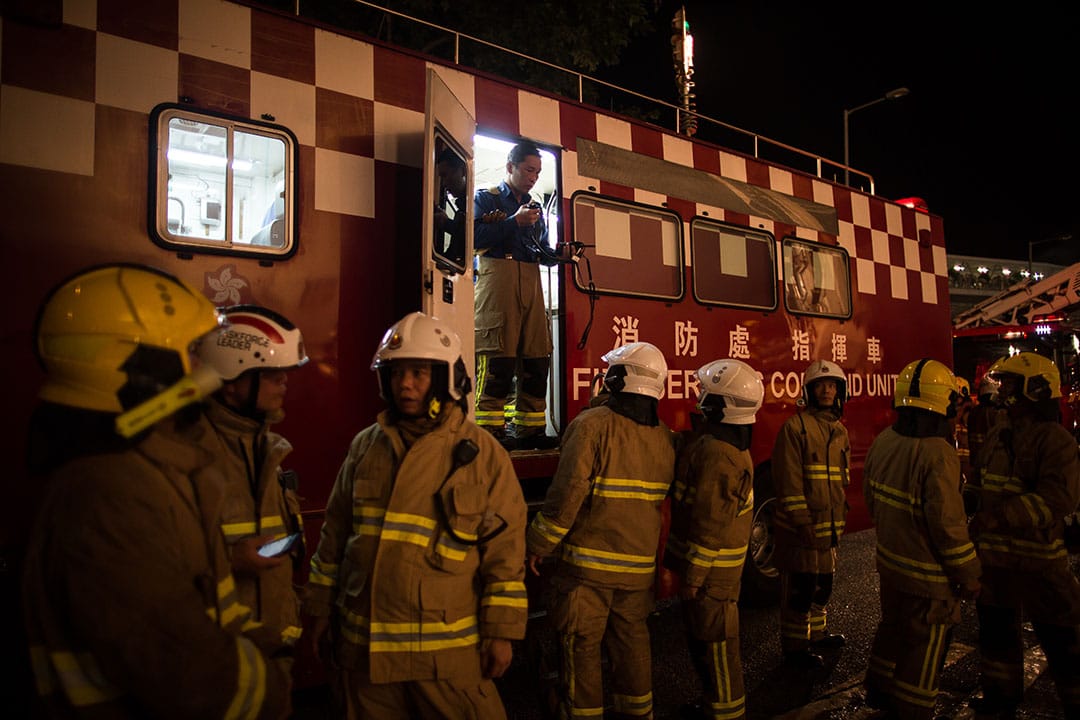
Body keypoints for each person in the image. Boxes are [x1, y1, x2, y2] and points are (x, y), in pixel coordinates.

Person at [22, 264, 292, 718]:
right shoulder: (108, 492)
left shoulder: (146, 464)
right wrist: (273, 689)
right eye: (192, 352)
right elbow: (185, 671)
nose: (208, 370)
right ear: (139, 368)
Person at [302, 311, 528, 719]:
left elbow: (505, 555)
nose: (404, 384)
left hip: (444, 661)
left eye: (419, 373)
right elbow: (334, 536)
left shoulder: (483, 455)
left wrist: (501, 632)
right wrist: (318, 608)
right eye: (396, 372)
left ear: (445, 379)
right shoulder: (365, 447)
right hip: (365, 659)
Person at [526, 341, 676, 720]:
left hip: (586, 574)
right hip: (637, 574)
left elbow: (566, 497)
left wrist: (537, 544)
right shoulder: (664, 437)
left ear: (620, 379)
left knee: (581, 649)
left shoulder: (591, 426)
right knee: (632, 647)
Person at [863, 358, 982, 720]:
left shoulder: (884, 440)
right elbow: (948, 527)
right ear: (941, 402)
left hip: (892, 567)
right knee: (924, 649)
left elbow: (871, 499)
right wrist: (969, 574)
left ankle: (878, 687)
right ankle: (911, 710)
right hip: (929, 581)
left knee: (892, 627)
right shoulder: (938, 453)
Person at [967, 351, 1080, 719]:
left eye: (1012, 384)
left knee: (1065, 641)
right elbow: (983, 482)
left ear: (1037, 389)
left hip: (1040, 564)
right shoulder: (1000, 433)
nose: (1004, 391)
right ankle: (1000, 698)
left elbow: (1057, 499)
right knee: (997, 637)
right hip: (996, 563)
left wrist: (997, 518)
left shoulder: (1055, 440)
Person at [194, 305, 309, 652]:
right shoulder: (189, 455)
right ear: (230, 383)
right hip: (215, 658)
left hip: (270, 651)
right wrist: (229, 562)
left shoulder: (266, 449)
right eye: (272, 373)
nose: (284, 381)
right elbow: (147, 567)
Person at [665, 358, 764, 720]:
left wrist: (692, 578)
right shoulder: (722, 446)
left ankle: (725, 712)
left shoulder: (720, 456)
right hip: (714, 575)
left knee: (717, 652)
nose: (700, 399)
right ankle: (714, 704)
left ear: (723, 405)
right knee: (706, 646)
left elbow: (708, 525)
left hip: (712, 579)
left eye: (707, 393)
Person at [473, 140, 558, 449]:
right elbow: (472, 238)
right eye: (528, 170)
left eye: (538, 172)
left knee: (536, 359)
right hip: (498, 280)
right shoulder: (485, 198)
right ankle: (489, 431)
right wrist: (513, 223)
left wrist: (559, 255)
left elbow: (542, 250)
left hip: (531, 281)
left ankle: (529, 429)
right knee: (498, 360)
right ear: (510, 167)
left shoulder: (535, 208)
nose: (533, 178)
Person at [770, 358, 851, 668]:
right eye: (820, 386)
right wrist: (802, 523)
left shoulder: (839, 431)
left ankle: (817, 635)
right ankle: (795, 649)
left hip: (828, 529)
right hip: (801, 530)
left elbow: (840, 483)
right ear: (809, 391)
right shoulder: (796, 428)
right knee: (800, 591)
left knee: (822, 587)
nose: (827, 391)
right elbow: (788, 482)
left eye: (832, 385)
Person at [434, 146, 468, 268]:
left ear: (463, 171)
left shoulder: (476, 204)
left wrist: (446, 223)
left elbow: (472, 238)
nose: (443, 183)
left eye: (445, 175)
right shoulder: (461, 207)